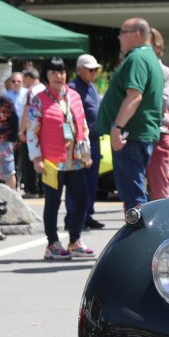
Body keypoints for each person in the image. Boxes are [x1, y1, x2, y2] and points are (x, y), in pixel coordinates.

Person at [25, 57, 94, 259]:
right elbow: (32, 131)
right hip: (52, 162)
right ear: (46, 76)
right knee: (53, 202)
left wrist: (86, 153)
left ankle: (74, 241)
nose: (58, 76)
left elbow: (83, 126)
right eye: (53, 72)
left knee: (82, 200)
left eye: (62, 72)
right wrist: (36, 158)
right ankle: (52, 244)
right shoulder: (39, 99)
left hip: (75, 159)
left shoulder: (74, 96)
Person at [95, 17, 164, 211]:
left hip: (130, 135)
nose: (119, 37)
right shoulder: (148, 57)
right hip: (138, 134)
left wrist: (117, 127)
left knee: (132, 194)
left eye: (123, 33)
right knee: (132, 191)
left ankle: (139, 229)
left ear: (137, 34)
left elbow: (134, 96)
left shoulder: (137, 58)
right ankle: (136, 227)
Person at [145, 30, 169, 201]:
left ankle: (163, 219)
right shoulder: (133, 69)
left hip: (158, 132)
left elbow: (164, 102)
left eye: (148, 45)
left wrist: (135, 101)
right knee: (133, 188)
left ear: (158, 47)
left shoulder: (168, 73)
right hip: (134, 134)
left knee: (159, 188)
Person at [71, 54, 104, 228]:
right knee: (78, 181)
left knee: (91, 181)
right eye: (90, 69)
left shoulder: (91, 87)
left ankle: (87, 215)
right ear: (80, 70)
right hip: (81, 141)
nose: (94, 72)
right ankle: (74, 218)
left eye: (95, 69)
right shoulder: (73, 88)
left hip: (94, 140)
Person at [17, 66, 44, 197]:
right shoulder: (45, 89)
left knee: (29, 160)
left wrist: (21, 131)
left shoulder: (31, 92)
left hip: (32, 131)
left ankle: (32, 190)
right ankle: (44, 189)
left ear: (29, 78)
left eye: (24, 79)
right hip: (45, 131)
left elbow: (26, 113)